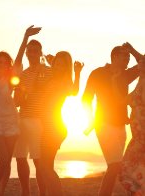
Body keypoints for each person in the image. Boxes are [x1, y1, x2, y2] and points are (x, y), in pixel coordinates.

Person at [0, 26, 40, 196]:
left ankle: (1, 192)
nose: (3, 64)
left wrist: (25, 37)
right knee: (3, 160)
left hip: (11, 123)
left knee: (6, 162)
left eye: (5, 62)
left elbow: (18, 60)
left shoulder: (11, 79)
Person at [82, 43, 142, 196]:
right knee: (115, 166)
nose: (128, 60)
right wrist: (90, 121)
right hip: (103, 124)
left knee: (113, 168)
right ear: (114, 57)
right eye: (125, 56)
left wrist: (133, 50)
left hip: (121, 126)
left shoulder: (126, 74)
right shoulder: (98, 73)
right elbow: (86, 99)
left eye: (128, 57)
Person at [13, 30, 51, 196]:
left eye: (35, 51)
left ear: (40, 52)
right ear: (27, 53)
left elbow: (58, 89)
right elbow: (16, 102)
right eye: (30, 50)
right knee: (20, 158)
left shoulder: (48, 71)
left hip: (39, 120)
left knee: (38, 161)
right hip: (22, 119)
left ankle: (43, 192)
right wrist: (21, 95)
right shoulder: (22, 74)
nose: (32, 53)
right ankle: (25, 192)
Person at [40, 51, 84, 196]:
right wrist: (51, 60)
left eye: (62, 65)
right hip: (48, 125)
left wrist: (77, 73)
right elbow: (53, 65)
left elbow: (74, 91)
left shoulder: (64, 81)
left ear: (66, 68)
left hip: (54, 126)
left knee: (44, 166)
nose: (58, 66)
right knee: (47, 165)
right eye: (57, 63)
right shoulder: (52, 76)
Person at [119, 55, 145, 196]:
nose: (138, 67)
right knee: (130, 169)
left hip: (142, 135)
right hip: (137, 134)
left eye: (141, 64)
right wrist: (114, 80)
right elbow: (123, 101)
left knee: (128, 168)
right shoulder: (139, 82)